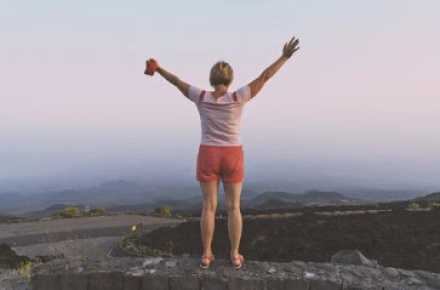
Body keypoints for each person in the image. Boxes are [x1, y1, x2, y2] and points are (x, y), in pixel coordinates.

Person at [144, 36, 300, 269]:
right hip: (233, 154)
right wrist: (284, 57)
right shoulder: (239, 97)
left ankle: (207, 254)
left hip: (208, 153)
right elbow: (265, 77)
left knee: (208, 207)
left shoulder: (201, 96)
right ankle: (235, 255)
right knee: (234, 207)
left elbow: (176, 81)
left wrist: (158, 69)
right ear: (230, 79)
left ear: (211, 78)